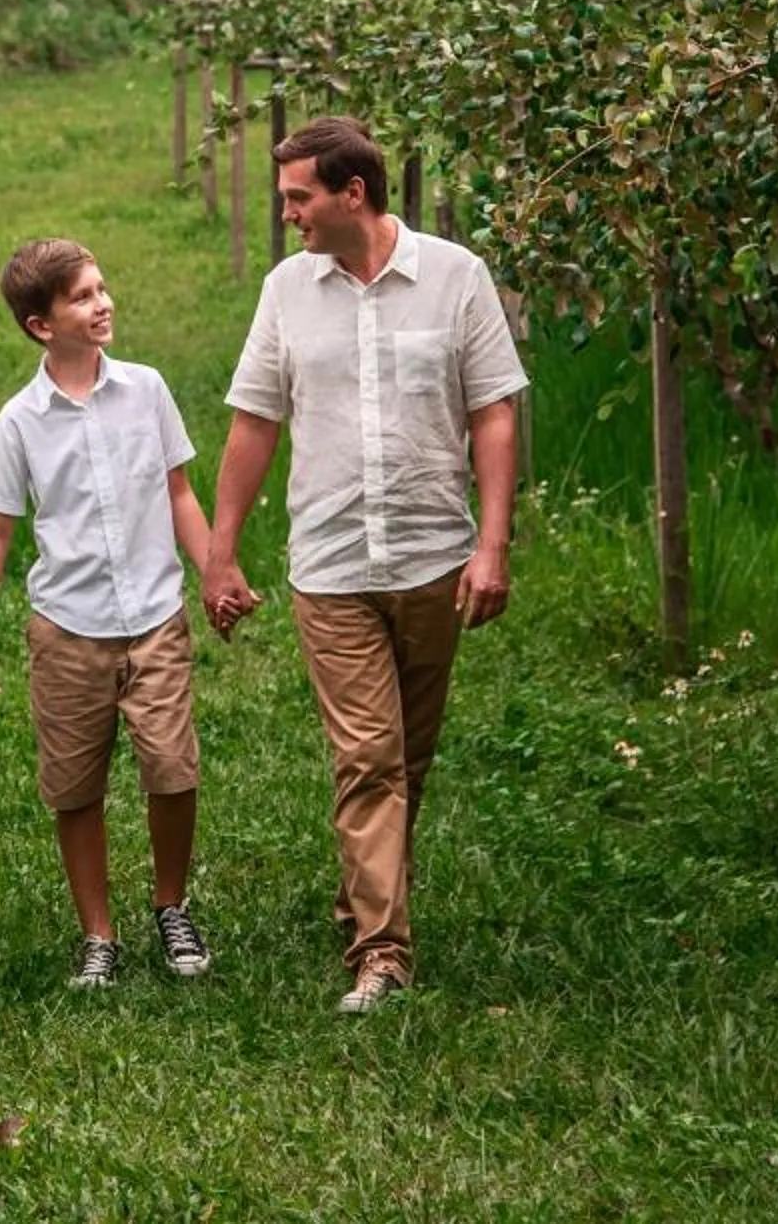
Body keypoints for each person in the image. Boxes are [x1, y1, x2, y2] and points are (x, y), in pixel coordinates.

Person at [200, 117, 527, 1015]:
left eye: (299, 197)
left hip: (432, 555)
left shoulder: (456, 277)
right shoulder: (286, 292)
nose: (288, 214)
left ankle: (364, 891)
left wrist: (492, 544)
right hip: (332, 562)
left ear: (353, 193)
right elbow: (255, 420)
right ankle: (381, 952)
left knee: (407, 759)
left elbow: (494, 411)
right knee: (370, 756)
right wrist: (221, 552)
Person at [0, 238, 217, 990]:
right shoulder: (19, 422)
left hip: (156, 613)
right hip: (67, 627)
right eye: (84, 296)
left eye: (103, 288)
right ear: (42, 325)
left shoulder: (148, 390)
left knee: (172, 769)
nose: (104, 304)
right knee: (75, 785)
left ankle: (171, 904)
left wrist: (216, 573)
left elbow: (180, 493)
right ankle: (98, 933)